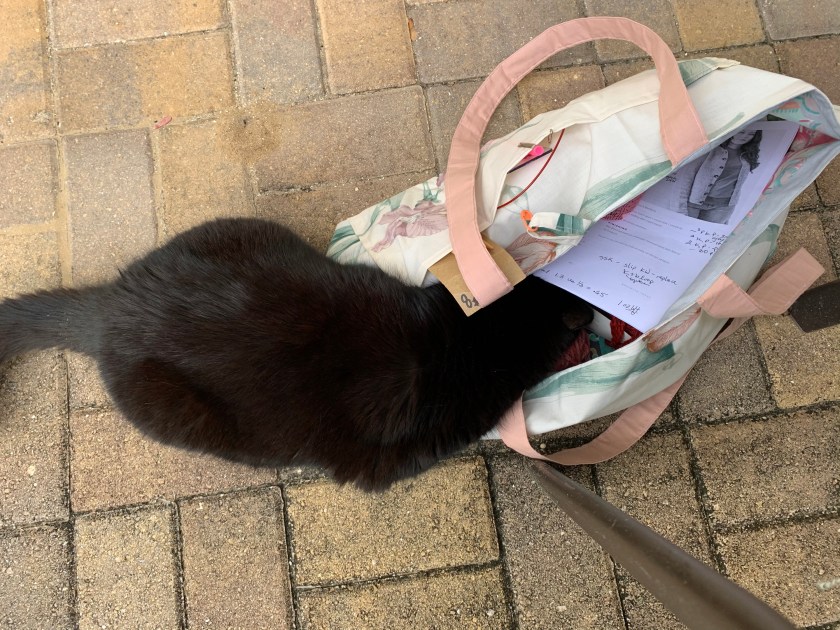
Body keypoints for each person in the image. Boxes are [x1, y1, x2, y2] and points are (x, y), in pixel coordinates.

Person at [683, 130, 763, 224]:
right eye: (741, 132)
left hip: (723, 206)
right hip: (694, 202)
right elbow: (688, 176)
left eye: (751, 134)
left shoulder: (748, 156)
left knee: (708, 234)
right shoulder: (711, 149)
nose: (745, 136)